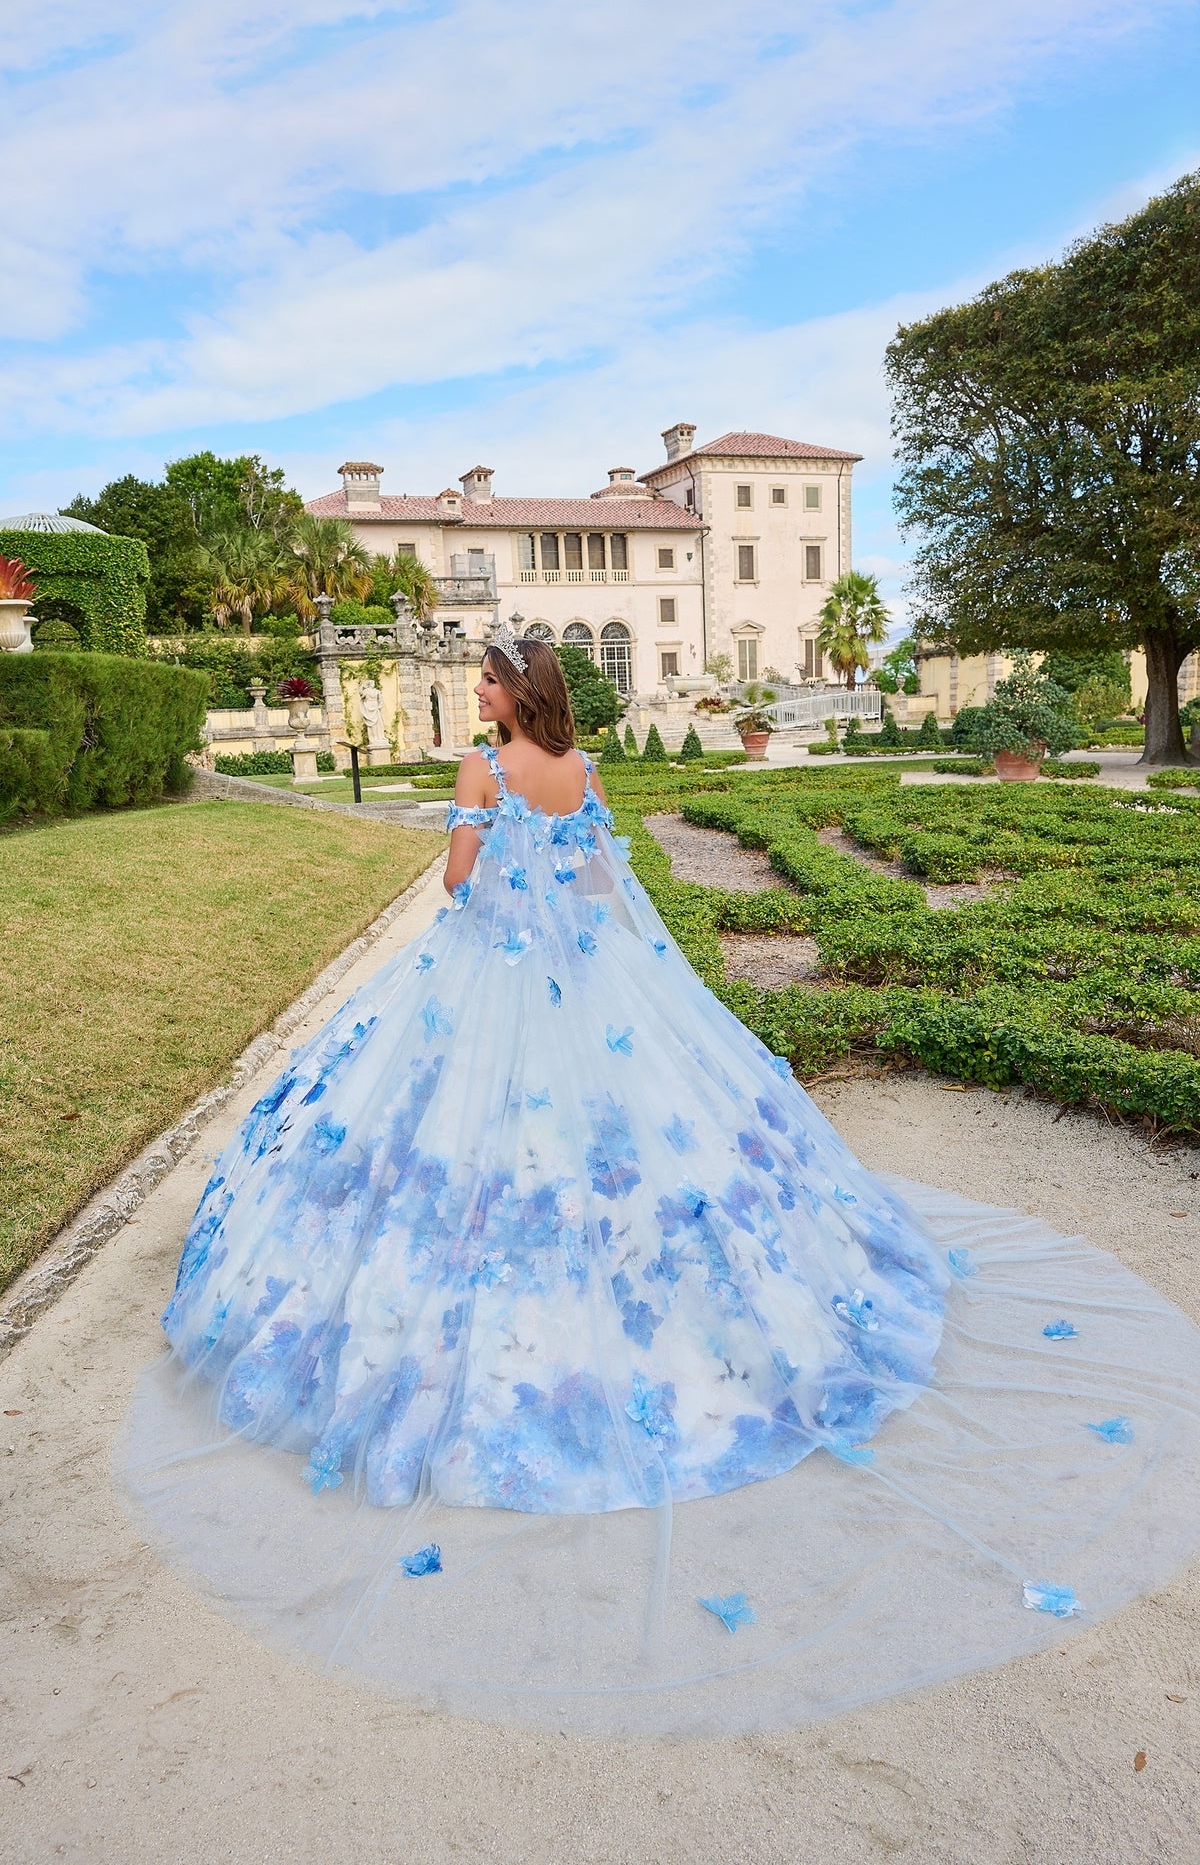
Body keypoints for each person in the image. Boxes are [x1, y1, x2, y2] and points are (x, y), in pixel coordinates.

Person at [121, 627, 1200, 1735]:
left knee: (463, 1149)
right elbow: (596, 879)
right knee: (626, 1141)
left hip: (488, 974)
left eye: (487, 680)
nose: (478, 692)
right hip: (590, 976)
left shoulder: (483, 767)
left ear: (512, 692)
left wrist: (488, 855)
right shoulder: (581, 769)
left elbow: (456, 882)